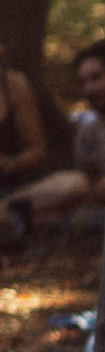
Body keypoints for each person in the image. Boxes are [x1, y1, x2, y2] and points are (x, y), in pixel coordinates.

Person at [6, 40, 105, 234]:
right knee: (53, 211)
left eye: (96, 78)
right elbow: (86, 182)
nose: (88, 89)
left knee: (75, 185)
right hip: (84, 211)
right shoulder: (89, 131)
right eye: (83, 82)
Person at [0, 40, 50, 246]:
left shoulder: (13, 85)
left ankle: (15, 229)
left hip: (14, 192)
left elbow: (37, 150)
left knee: (74, 184)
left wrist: (10, 163)